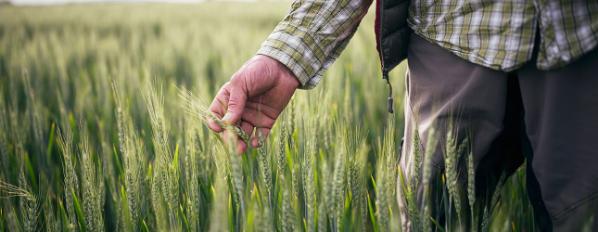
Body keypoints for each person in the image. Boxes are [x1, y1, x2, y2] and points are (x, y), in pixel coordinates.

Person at [207, 0, 598, 230]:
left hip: (580, 34)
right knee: (430, 217)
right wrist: (285, 58)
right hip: (454, 33)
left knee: (582, 215)